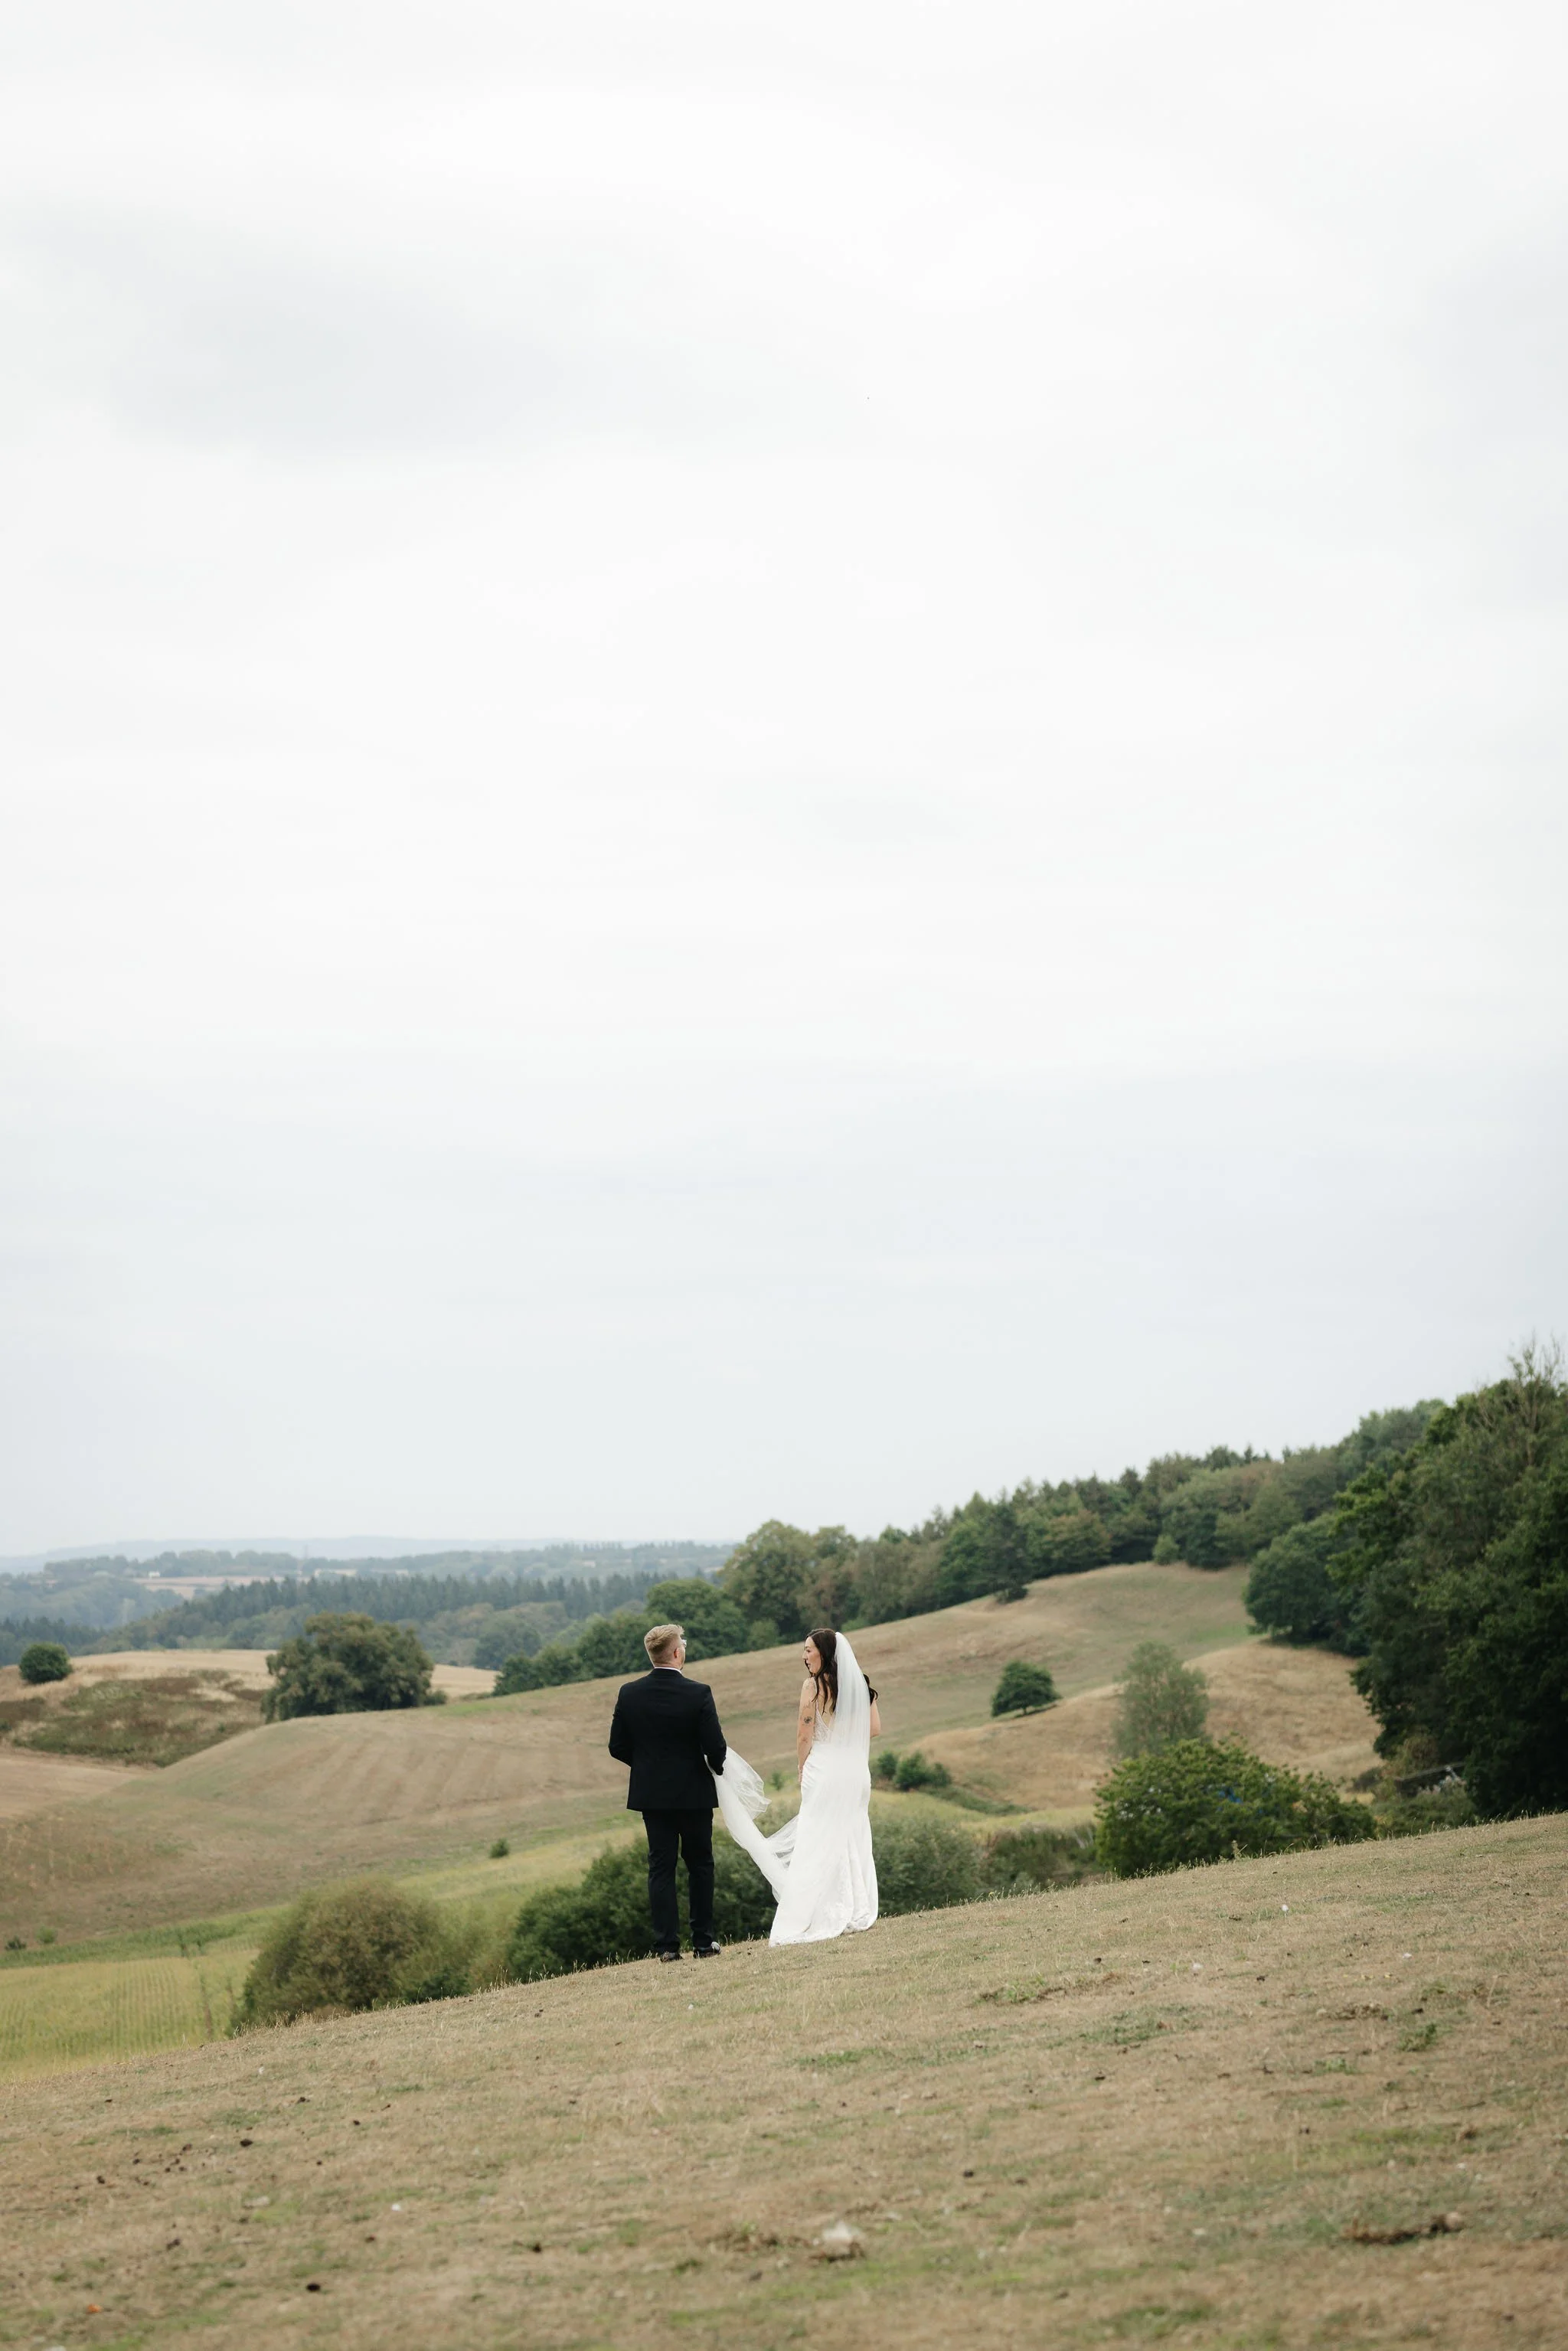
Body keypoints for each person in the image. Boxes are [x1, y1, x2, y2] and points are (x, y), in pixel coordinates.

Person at [713, 1625, 881, 1944]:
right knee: (852, 1832)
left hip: (824, 1769)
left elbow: (805, 1733)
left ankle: (821, 1910)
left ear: (824, 1653)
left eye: (809, 1650)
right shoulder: (860, 1683)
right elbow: (874, 1729)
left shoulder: (813, 1687)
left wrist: (802, 1765)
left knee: (816, 1837)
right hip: (855, 1772)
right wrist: (845, 1735)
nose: (804, 1656)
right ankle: (858, 1905)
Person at [607, 1621, 728, 1961]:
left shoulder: (629, 1693)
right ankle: (704, 1942)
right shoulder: (699, 1693)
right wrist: (715, 1770)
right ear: (676, 1653)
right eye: (683, 1644)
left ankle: (667, 1948)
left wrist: (648, 1768)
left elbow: (617, 1746)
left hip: (653, 1797)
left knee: (660, 1867)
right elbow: (715, 1748)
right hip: (694, 1794)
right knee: (700, 1864)